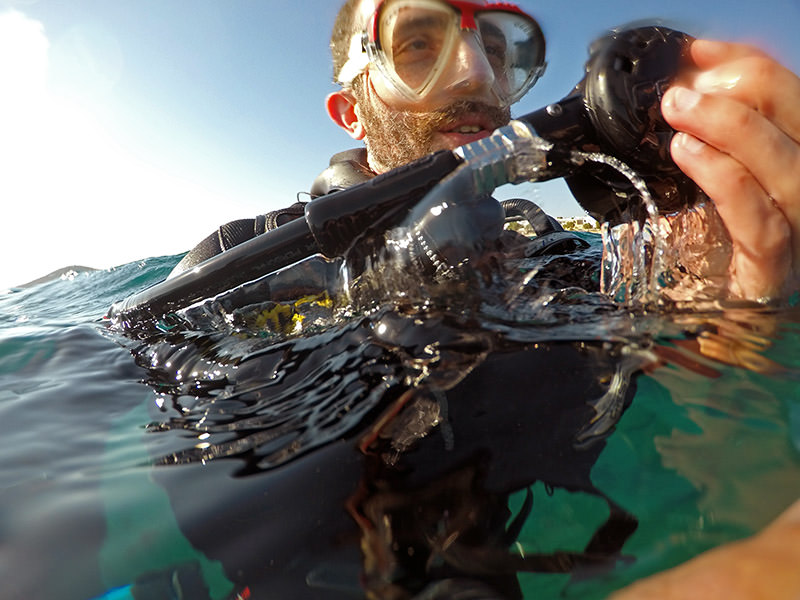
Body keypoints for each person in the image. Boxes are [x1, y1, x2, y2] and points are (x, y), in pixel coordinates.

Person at [167, 0, 800, 596]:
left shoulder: (541, 242)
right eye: (419, 43)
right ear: (351, 111)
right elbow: (217, 503)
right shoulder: (240, 267)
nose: (476, 74)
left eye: (496, 49)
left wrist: (732, 311)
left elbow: (691, 427)